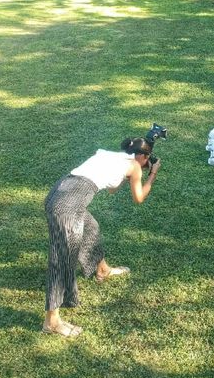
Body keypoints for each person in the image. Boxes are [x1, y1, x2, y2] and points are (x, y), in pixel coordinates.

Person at [43, 137, 161, 337]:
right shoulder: (134, 165)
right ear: (143, 156)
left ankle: (102, 269)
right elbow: (139, 197)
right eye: (147, 158)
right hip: (67, 206)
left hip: (58, 193)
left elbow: (113, 188)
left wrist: (132, 173)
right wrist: (153, 174)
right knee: (62, 262)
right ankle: (51, 322)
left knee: (91, 228)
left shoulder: (109, 155)